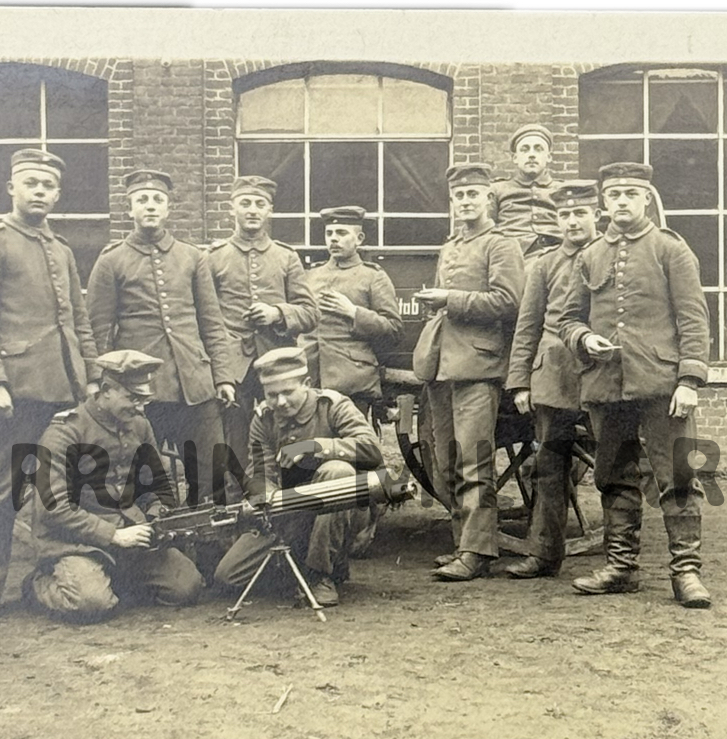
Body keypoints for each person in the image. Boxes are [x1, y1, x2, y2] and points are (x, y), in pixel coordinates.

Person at [557, 162, 713, 608]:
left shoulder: (670, 249)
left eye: (631, 193)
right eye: (614, 194)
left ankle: (686, 573)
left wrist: (689, 379)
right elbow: (569, 319)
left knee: (678, 477)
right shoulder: (589, 256)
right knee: (612, 477)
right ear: (603, 202)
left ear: (646, 198)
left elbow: (693, 317)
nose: (622, 201)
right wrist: (584, 337)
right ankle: (621, 567)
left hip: (663, 385)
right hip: (607, 385)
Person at [0, 148, 100, 619]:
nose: (40, 192)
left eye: (48, 185)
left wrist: (91, 377)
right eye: (31, 183)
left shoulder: (61, 251)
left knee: (61, 490)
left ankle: (58, 578)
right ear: (11, 188)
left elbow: (79, 322)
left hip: (63, 390)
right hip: (13, 394)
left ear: (58, 194)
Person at [86, 169, 238, 507]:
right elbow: (98, 329)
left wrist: (223, 377)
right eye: (142, 200)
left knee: (211, 473)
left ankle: (211, 555)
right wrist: (102, 382)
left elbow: (211, 322)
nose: (150, 206)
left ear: (168, 208)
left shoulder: (193, 257)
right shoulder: (111, 261)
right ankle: (160, 550)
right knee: (145, 475)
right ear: (130, 209)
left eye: (158, 200)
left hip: (195, 387)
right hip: (142, 389)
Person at [22, 350, 204, 623]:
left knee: (187, 587)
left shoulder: (139, 426)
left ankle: (110, 579)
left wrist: (157, 512)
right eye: (132, 398)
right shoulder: (65, 432)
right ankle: (39, 585)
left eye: (144, 399)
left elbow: (157, 483)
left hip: (132, 538)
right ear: (106, 390)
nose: (140, 408)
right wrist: (113, 535)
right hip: (78, 544)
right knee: (90, 604)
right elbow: (53, 506)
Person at [412, 162, 526, 581]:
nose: (465, 202)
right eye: (459, 196)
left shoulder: (501, 246)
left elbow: (509, 301)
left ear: (488, 200)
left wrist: (450, 298)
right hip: (442, 365)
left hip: (479, 365)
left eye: (472, 195)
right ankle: (464, 543)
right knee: (447, 460)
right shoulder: (451, 246)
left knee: (475, 460)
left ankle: (478, 552)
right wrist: (441, 301)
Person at [212, 347, 383, 607]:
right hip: (290, 512)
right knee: (229, 577)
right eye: (272, 395)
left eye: (288, 392)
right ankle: (298, 566)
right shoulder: (263, 420)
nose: (280, 402)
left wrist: (317, 447)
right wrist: (261, 492)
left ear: (306, 384)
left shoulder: (333, 406)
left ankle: (320, 574)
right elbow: (261, 471)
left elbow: (371, 451)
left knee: (337, 472)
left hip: (343, 509)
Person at [503, 180, 600, 579]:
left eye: (580, 213)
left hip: (604, 372)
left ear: (597, 215)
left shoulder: (612, 255)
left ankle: (620, 558)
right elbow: (527, 326)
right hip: (554, 376)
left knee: (614, 464)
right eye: (565, 215)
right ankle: (544, 554)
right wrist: (520, 381)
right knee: (549, 464)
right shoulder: (543, 264)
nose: (572, 221)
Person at [201, 175, 319, 492]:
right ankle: (239, 508)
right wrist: (219, 370)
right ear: (232, 209)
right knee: (235, 443)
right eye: (245, 203)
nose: (252, 210)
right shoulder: (213, 257)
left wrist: (278, 313)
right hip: (232, 369)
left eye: (260, 204)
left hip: (278, 364)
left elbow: (310, 312)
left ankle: (289, 502)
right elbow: (203, 316)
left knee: (286, 433)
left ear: (270, 211)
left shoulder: (286, 257)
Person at [301, 205, 403, 421]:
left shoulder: (372, 276)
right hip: (310, 378)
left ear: (359, 238)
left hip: (351, 380)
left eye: (341, 233)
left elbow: (394, 329)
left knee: (349, 447)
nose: (333, 239)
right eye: (329, 233)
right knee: (310, 448)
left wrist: (354, 312)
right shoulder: (309, 276)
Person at [491, 123, 562, 258]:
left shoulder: (561, 190)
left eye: (538, 149)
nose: (531, 155)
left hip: (556, 256)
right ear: (515, 158)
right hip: (512, 257)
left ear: (549, 157)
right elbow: (487, 229)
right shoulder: (498, 190)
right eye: (525, 149)